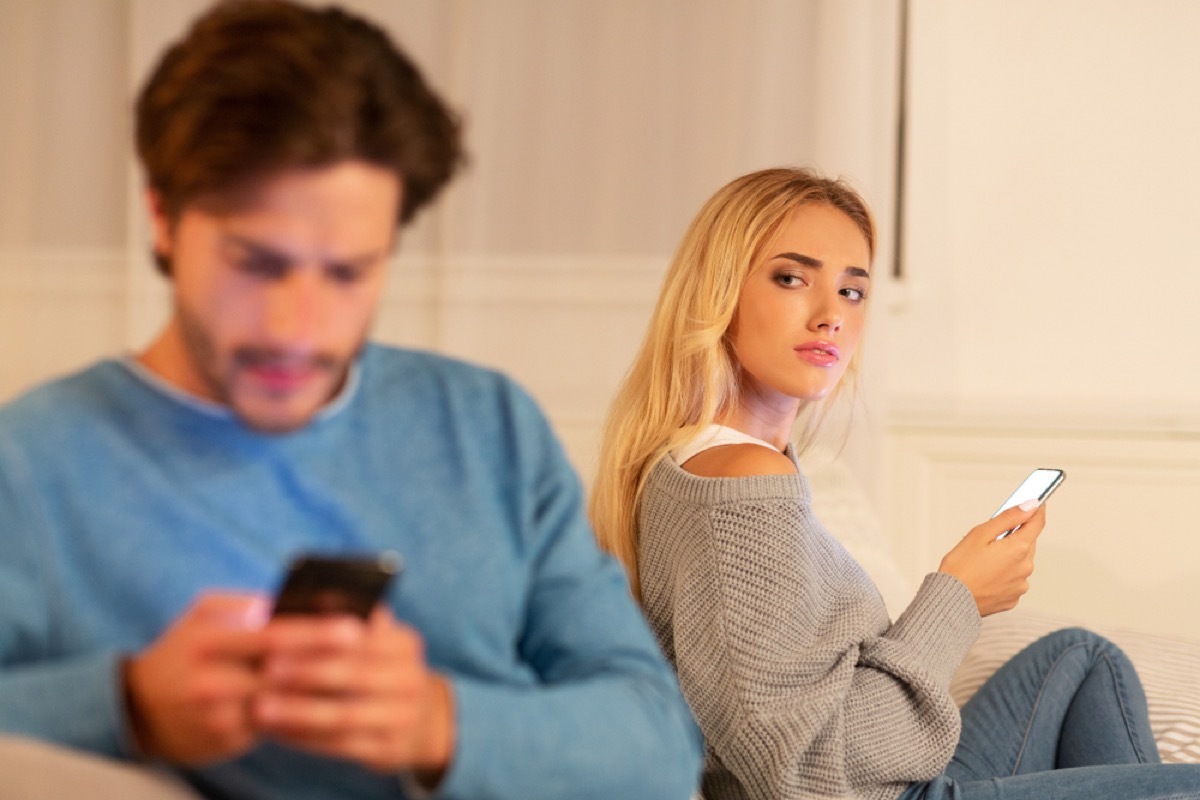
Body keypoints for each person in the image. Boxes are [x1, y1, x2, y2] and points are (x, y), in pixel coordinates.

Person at [0, 2, 702, 799]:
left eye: (348, 274)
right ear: (162, 218)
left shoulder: (487, 428)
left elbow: (659, 747)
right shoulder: (33, 464)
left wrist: (436, 724)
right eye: (256, 263)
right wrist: (122, 705)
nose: (297, 330)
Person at [590, 166, 1200, 800]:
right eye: (792, 278)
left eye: (852, 292)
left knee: (1078, 660)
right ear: (717, 293)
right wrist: (959, 597)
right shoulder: (743, 482)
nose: (830, 316)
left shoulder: (716, 463)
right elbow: (802, 773)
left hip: (894, 777)